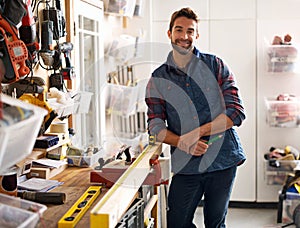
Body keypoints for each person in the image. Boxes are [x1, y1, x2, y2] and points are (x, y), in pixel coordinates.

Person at [145, 7, 246, 228]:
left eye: (190, 31)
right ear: (169, 33)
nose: (184, 37)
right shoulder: (158, 79)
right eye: (179, 30)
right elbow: (155, 125)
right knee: (177, 222)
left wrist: (196, 133)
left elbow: (235, 112)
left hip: (223, 159)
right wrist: (182, 142)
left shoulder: (216, 65)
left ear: (197, 35)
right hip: (186, 163)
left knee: (215, 223)